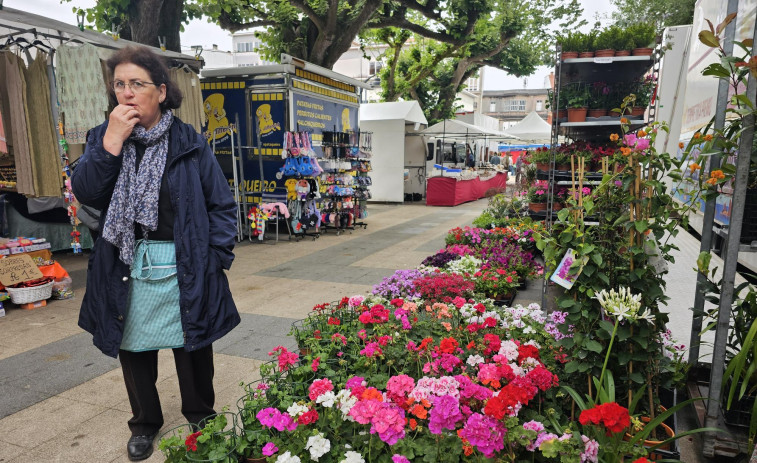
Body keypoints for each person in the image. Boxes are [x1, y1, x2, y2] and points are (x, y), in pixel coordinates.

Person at [71, 46, 240, 462]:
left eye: (137, 84)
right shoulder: (101, 137)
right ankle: (145, 423)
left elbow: (220, 204)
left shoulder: (190, 142)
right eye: (119, 85)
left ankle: (201, 416)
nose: (126, 93)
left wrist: (216, 256)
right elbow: (87, 193)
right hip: (126, 261)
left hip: (185, 260)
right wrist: (111, 142)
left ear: (161, 92)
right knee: (133, 346)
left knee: (193, 345)